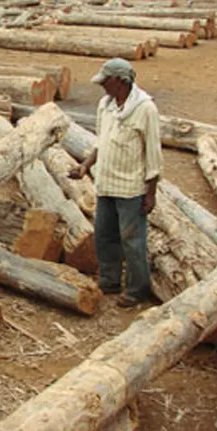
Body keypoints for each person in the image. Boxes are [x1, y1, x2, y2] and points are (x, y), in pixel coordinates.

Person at [69, 58, 163, 308]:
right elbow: (101, 141)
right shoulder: (105, 105)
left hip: (131, 188)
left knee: (133, 241)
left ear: (121, 81)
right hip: (106, 183)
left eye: (106, 81)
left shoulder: (145, 109)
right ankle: (110, 279)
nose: (102, 86)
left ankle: (138, 288)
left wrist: (150, 194)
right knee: (103, 235)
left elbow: (153, 155)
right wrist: (85, 165)